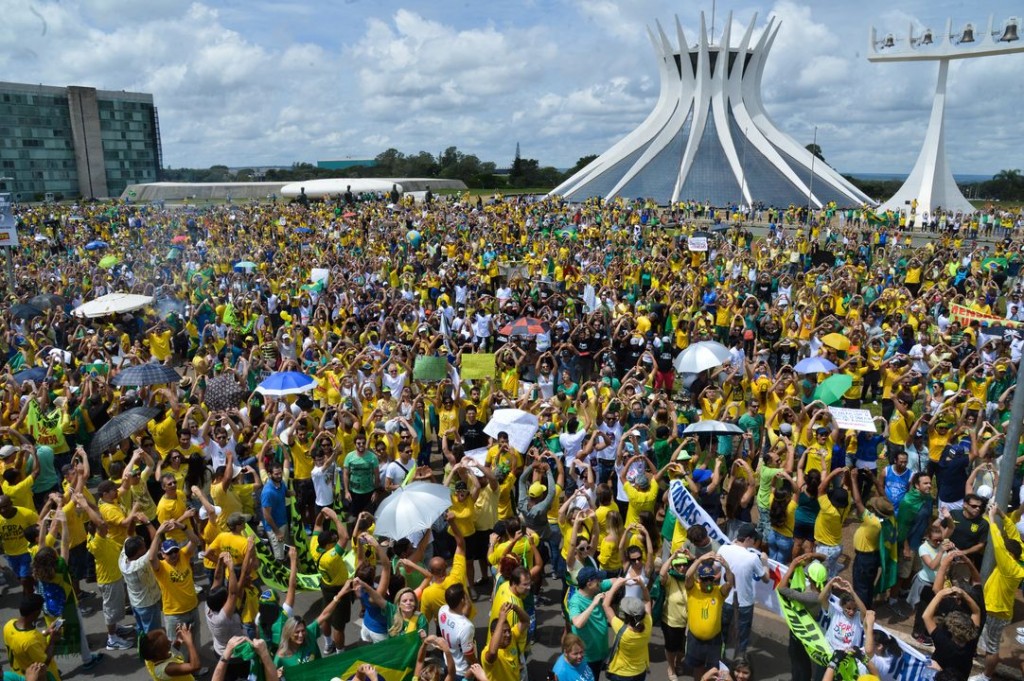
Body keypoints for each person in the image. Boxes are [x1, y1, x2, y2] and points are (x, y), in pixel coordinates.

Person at [970, 505, 1024, 681]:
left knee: (992, 647)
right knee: (985, 640)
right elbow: (1014, 535)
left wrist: (992, 519)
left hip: (997, 611)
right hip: (993, 607)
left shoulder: (1010, 567)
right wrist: (1002, 515)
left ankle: (986, 676)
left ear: (1010, 555)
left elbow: (999, 544)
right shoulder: (1019, 555)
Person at [717, 523, 768, 657]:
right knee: (742, 636)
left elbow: (716, 568)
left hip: (724, 599)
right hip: (744, 604)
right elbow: (766, 578)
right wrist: (765, 562)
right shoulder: (752, 558)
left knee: (721, 632)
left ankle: (719, 659)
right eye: (754, 539)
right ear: (747, 539)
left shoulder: (723, 549)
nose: (755, 542)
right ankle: (738, 663)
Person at [684, 553, 734, 681]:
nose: (708, 582)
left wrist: (726, 567)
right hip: (695, 639)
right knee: (697, 667)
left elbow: (730, 583)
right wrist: (699, 559)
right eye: (704, 579)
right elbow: (688, 575)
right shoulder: (692, 589)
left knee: (714, 669)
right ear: (699, 579)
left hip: (714, 640)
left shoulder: (718, 592)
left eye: (710, 579)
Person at [922, 587, 981, 680]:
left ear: (952, 631)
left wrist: (939, 594)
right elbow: (976, 612)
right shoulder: (972, 641)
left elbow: (926, 616)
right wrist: (964, 594)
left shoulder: (943, 641)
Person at [601, 577, 653, 681]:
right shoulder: (648, 622)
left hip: (621, 674)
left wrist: (616, 585)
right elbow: (647, 600)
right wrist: (642, 585)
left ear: (626, 615)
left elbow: (605, 605)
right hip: (640, 671)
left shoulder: (622, 629)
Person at [3, 594, 62, 681]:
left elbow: (22, 643)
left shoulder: (9, 625)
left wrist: (46, 632)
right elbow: (44, 662)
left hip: (18, 672)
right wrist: (52, 641)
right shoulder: (30, 640)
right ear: (36, 612)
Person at [568, 565, 610, 681]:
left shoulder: (597, 588)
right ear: (589, 583)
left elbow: (614, 581)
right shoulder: (575, 601)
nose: (601, 582)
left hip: (601, 652)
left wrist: (628, 580)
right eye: (598, 580)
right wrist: (593, 604)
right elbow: (577, 623)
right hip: (588, 657)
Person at [437, 583, 476, 681]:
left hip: (448, 663)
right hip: (463, 671)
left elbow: (458, 619)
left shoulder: (442, 610)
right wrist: (477, 665)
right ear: (462, 600)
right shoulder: (466, 627)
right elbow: (469, 655)